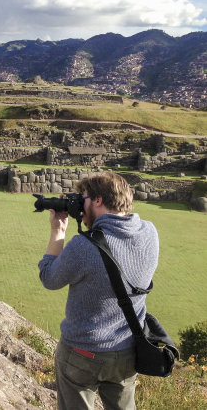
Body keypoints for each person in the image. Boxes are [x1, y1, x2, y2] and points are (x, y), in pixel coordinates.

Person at [38, 172, 159, 410]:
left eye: (83, 198)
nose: (80, 205)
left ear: (98, 200)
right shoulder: (150, 233)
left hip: (82, 352)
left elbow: (49, 278)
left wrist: (58, 232)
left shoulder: (83, 246)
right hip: (126, 352)